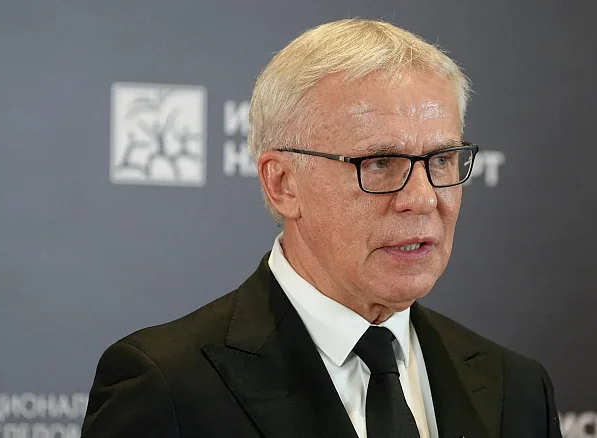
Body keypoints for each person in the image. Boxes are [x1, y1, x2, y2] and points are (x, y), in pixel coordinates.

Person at [81, 18, 562, 438]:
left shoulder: (517, 389)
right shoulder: (167, 387)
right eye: (380, 163)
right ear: (282, 183)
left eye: (440, 160)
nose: (423, 198)